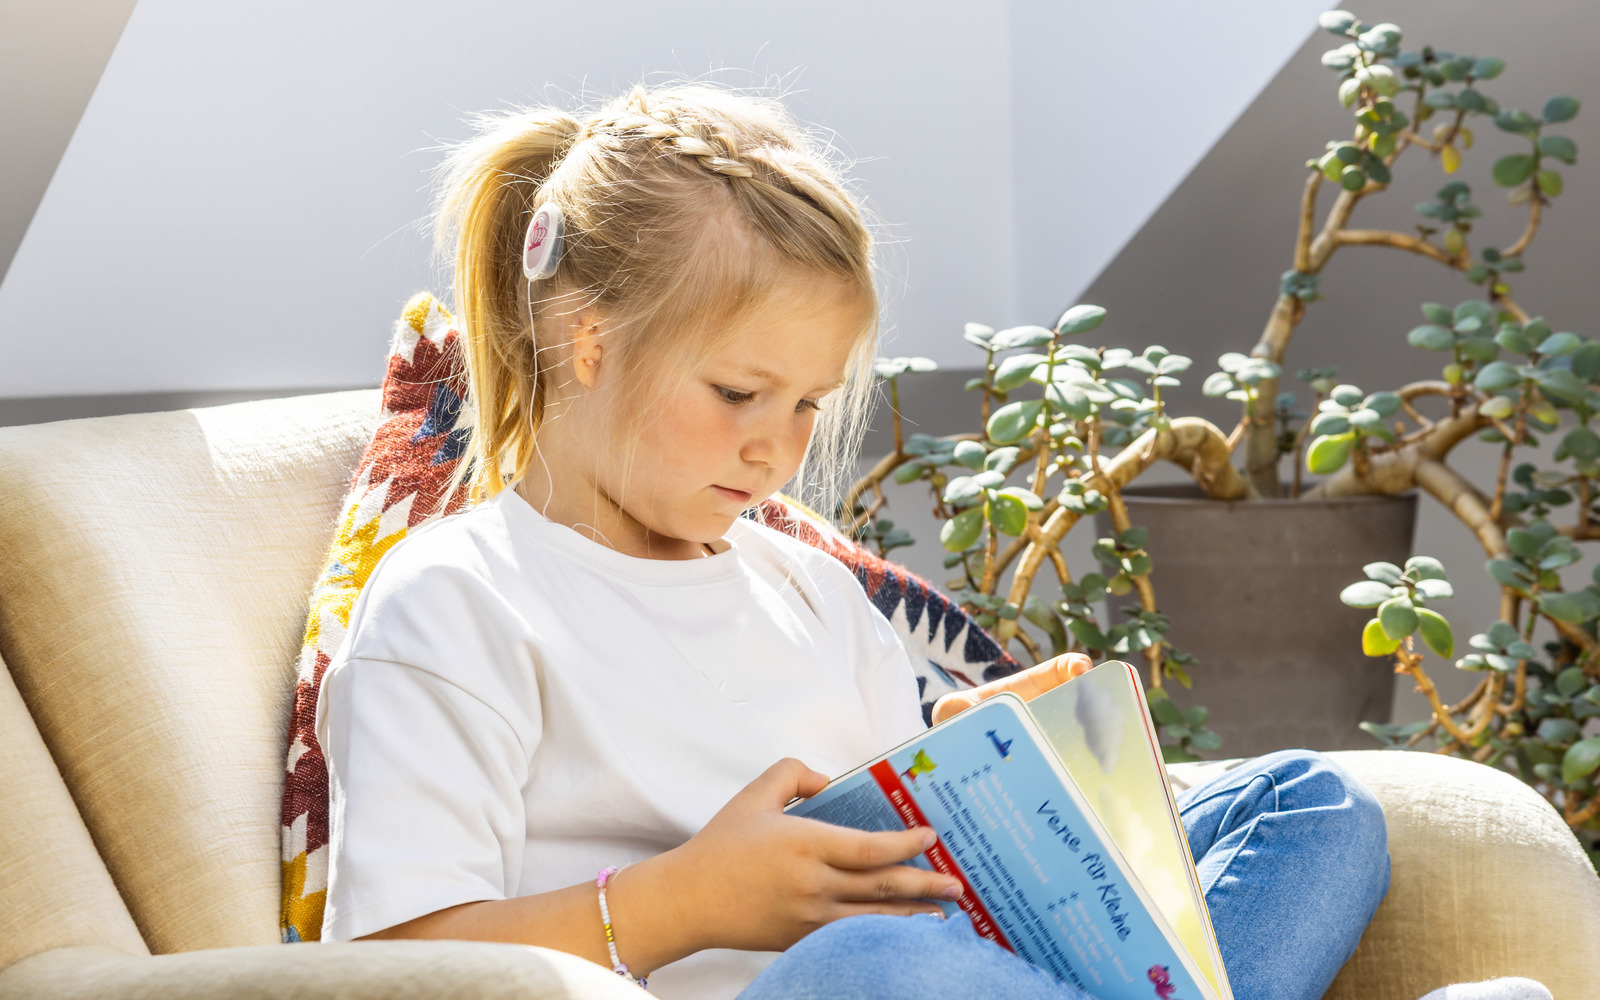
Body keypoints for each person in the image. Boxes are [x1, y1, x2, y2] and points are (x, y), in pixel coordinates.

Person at [314, 83, 1539, 1000]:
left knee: (1312, 807)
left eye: (805, 405)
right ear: (588, 342)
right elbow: (392, 968)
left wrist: (1016, 760)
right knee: (871, 963)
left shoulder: (805, 589)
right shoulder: (458, 600)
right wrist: (685, 901)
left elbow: (918, 844)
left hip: (946, 969)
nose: (776, 451)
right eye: (739, 393)